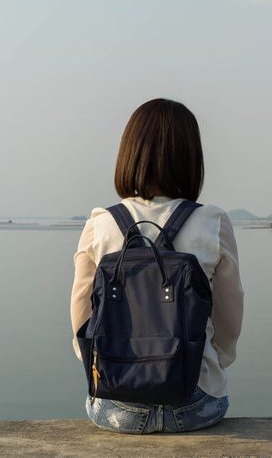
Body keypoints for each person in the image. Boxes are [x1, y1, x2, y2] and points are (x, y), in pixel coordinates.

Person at [69, 98, 244, 434]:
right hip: (196, 404)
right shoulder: (213, 222)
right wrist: (217, 362)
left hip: (117, 406)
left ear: (129, 153)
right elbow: (229, 316)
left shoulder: (101, 223)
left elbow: (81, 312)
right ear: (192, 158)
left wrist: (92, 360)